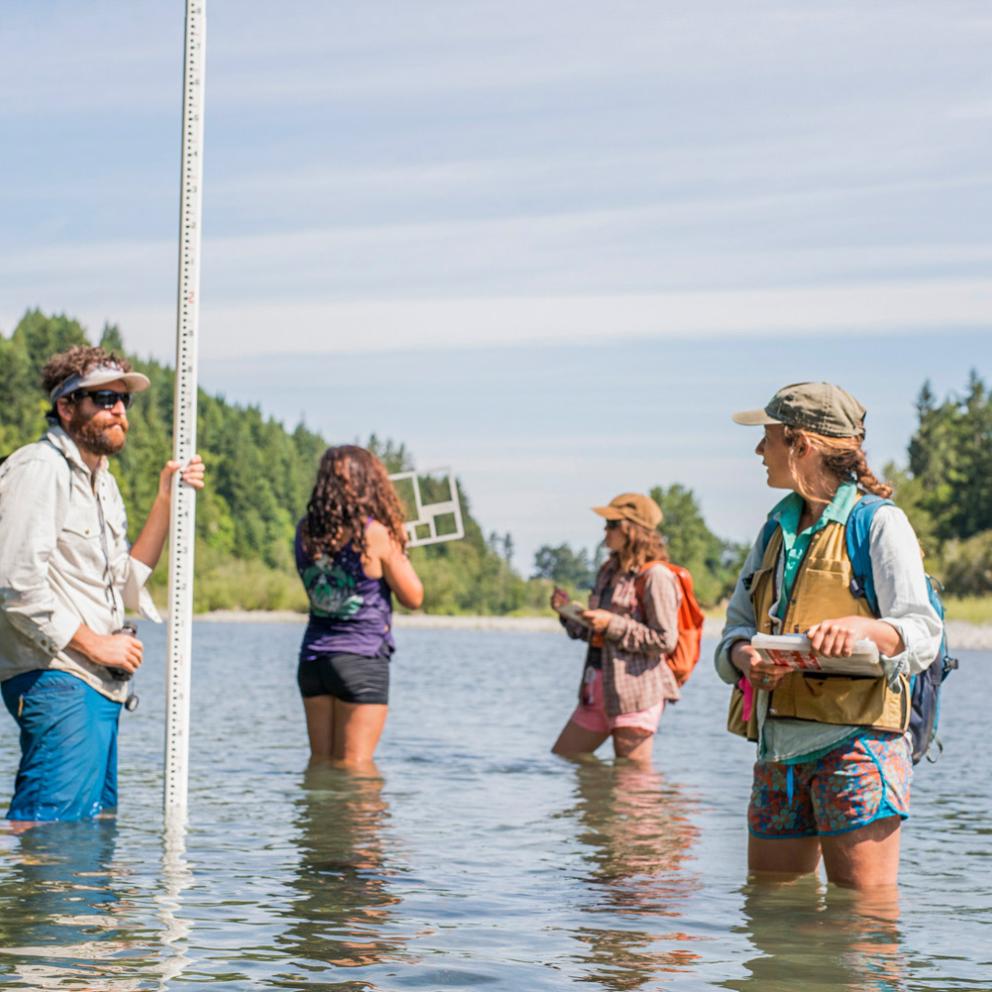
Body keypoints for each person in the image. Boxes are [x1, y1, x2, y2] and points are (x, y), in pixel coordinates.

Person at [715, 382, 941, 889]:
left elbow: (923, 633)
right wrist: (745, 655)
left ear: (802, 445)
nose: (758, 450)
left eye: (768, 437)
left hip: (859, 749)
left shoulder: (881, 524)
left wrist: (864, 628)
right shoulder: (772, 530)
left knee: (863, 923)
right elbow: (733, 631)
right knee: (769, 913)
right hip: (778, 754)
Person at [0, 346, 205, 825]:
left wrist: (165, 498)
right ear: (67, 407)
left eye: (123, 401)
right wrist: (97, 645)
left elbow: (126, 583)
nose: (117, 410)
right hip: (59, 675)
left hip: (98, 685)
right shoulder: (41, 468)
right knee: (48, 832)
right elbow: (15, 583)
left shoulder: (103, 484)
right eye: (103, 398)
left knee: (92, 833)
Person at [295, 445, 423, 767]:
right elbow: (414, 597)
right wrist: (400, 547)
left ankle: (318, 820)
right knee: (357, 773)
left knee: (321, 765)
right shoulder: (375, 533)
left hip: (313, 660)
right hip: (360, 659)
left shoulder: (306, 531)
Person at [551, 493, 682, 764]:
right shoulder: (608, 570)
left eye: (612, 524)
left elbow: (665, 639)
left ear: (633, 530)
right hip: (596, 690)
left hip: (636, 693)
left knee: (632, 786)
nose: (605, 530)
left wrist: (612, 624)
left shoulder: (656, 576)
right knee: (565, 758)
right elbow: (594, 632)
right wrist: (568, 615)